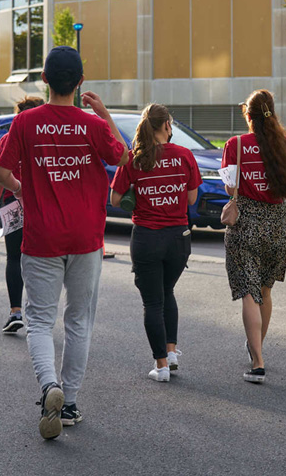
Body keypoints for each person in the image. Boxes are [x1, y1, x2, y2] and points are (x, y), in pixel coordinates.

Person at [0, 46, 128, 440]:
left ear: (45, 81)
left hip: (41, 238)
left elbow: (1, 174)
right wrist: (103, 114)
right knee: (79, 321)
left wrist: (28, 190)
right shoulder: (91, 125)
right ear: (81, 82)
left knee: (37, 319)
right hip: (86, 238)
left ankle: (49, 385)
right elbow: (123, 158)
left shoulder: (26, 123)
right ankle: (68, 403)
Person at [222, 89, 286, 384]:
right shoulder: (283, 143)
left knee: (249, 291)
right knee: (265, 290)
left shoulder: (235, 144)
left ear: (247, 114)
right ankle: (256, 347)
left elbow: (229, 187)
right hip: (276, 222)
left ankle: (257, 362)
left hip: (245, 220)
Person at [110, 104, 201, 383]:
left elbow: (115, 201)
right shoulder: (185, 155)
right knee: (167, 291)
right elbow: (192, 200)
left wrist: (139, 192)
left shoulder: (134, 160)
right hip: (178, 238)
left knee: (152, 302)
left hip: (147, 237)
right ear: (166, 126)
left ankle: (161, 366)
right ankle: (171, 353)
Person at [0, 96, 45, 334]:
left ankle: (15, 312)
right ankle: (40, 313)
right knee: (41, 260)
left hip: (13, 207)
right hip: (43, 205)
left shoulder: (8, 139)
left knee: (14, 259)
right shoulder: (46, 139)